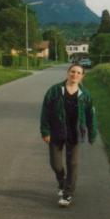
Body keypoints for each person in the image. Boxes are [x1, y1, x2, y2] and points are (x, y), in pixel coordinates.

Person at [40, 63, 97, 207]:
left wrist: (92, 133)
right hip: (56, 132)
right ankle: (62, 182)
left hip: (75, 133)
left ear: (82, 76)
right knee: (56, 164)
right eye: (73, 71)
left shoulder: (85, 95)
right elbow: (45, 112)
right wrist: (45, 131)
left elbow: (91, 115)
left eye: (79, 73)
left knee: (73, 164)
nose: (75, 75)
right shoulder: (54, 90)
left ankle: (68, 194)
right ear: (68, 73)